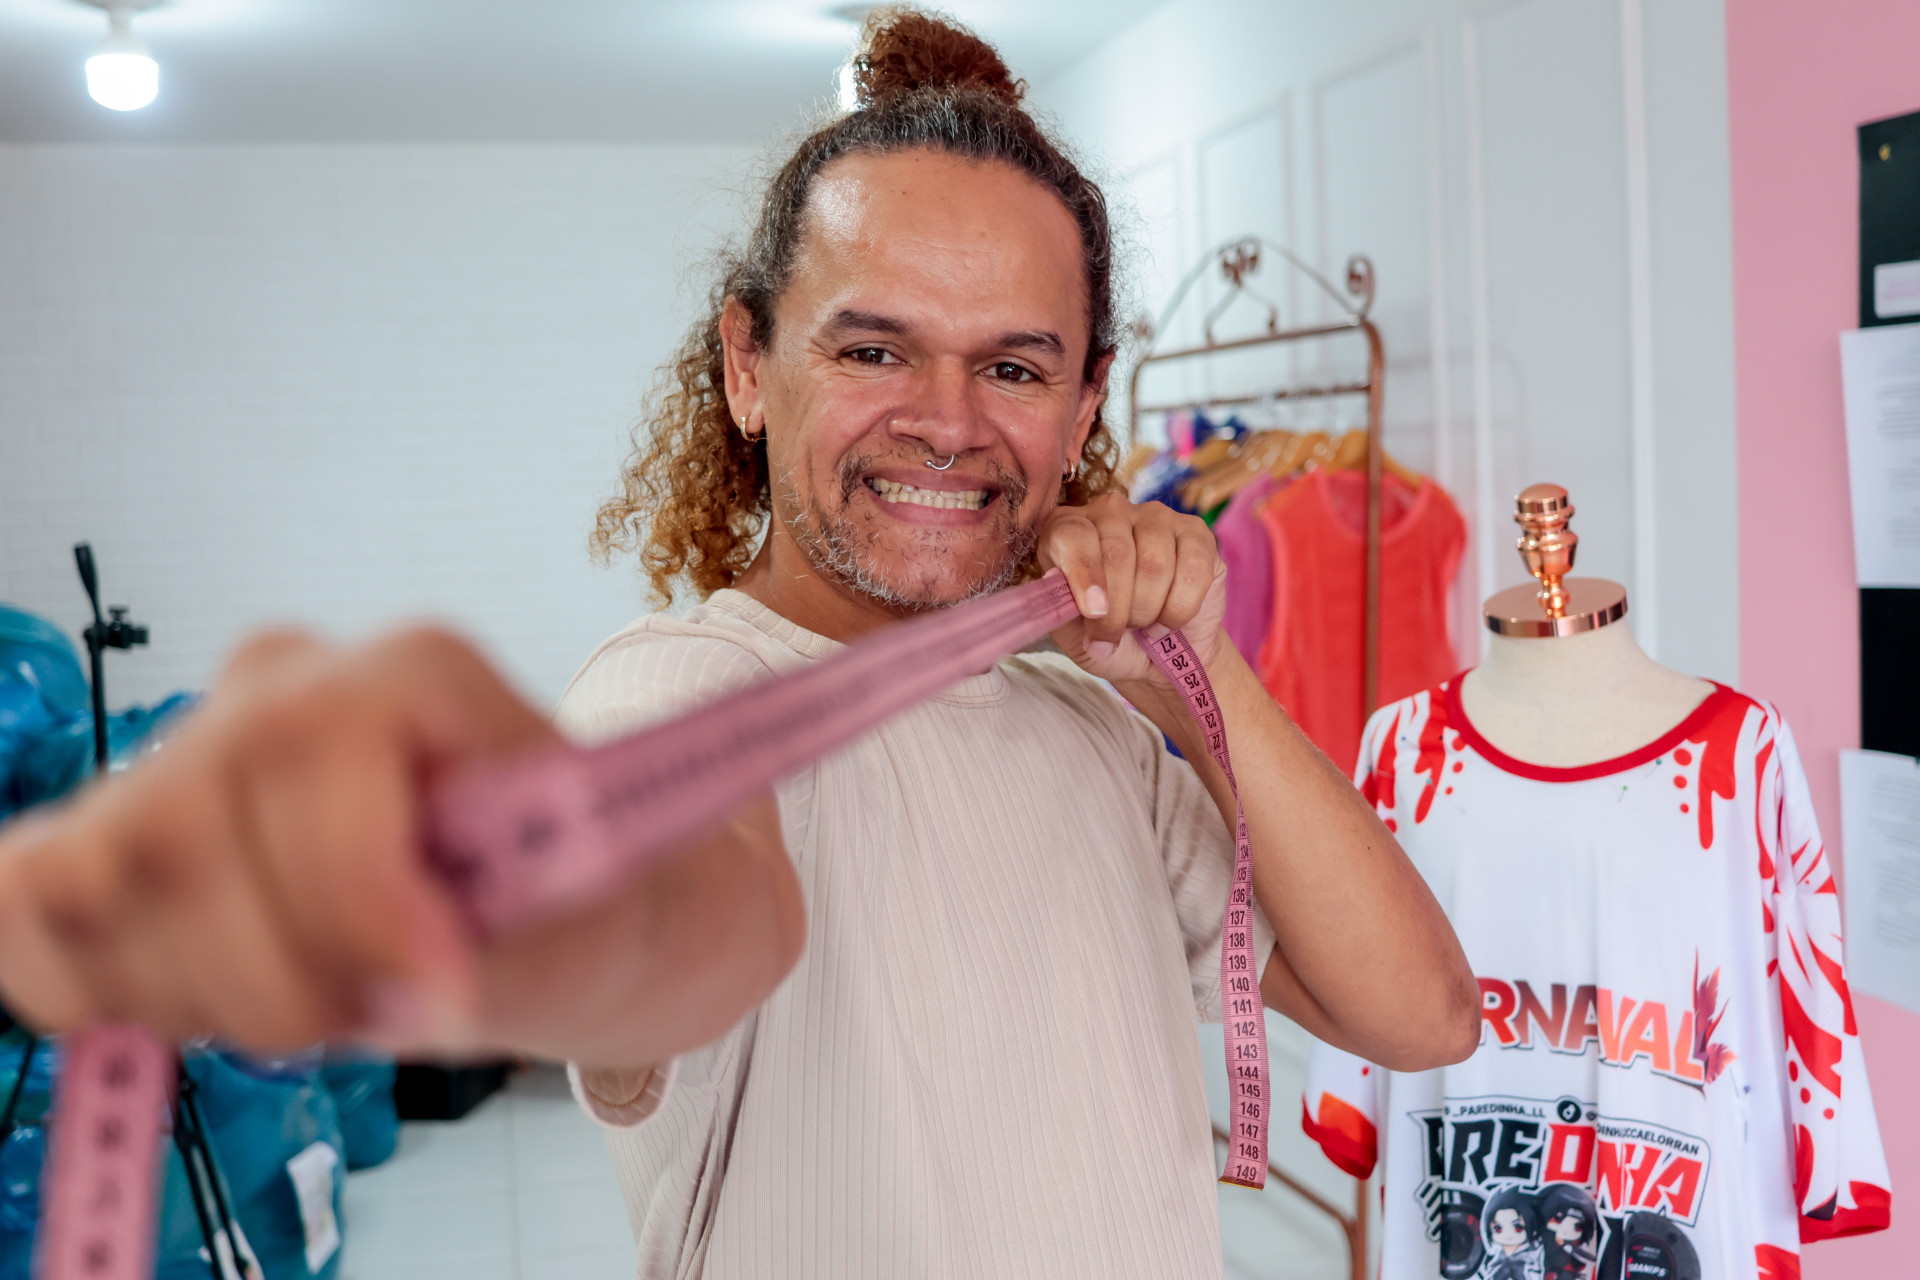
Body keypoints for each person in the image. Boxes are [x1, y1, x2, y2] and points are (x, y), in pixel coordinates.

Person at [0, 9, 1477, 1277]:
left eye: (1014, 367)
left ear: (1085, 405)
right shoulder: (684, 692)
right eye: (874, 348)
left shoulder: (1097, 732)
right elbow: (663, 913)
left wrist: (1205, 672)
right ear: (746, 365)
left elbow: (1421, 1015)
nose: (947, 423)